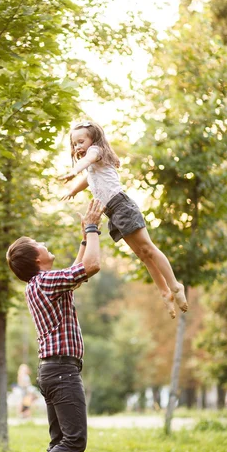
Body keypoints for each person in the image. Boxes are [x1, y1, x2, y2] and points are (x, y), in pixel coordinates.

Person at [5, 198, 104, 452]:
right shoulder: (45, 282)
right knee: (75, 441)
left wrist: (83, 238)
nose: (44, 244)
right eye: (39, 243)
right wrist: (92, 228)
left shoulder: (42, 284)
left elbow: (77, 274)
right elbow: (91, 267)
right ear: (36, 257)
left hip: (53, 370)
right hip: (61, 371)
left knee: (60, 440)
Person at [58, 120, 187, 319]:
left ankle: (175, 285)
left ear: (93, 139)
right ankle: (164, 292)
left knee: (149, 248)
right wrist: (74, 189)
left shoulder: (96, 151)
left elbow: (87, 160)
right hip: (112, 212)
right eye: (74, 144)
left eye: (81, 141)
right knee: (143, 255)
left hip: (121, 206)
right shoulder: (92, 166)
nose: (78, 147)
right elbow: (88, 178)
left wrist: (75, 170)